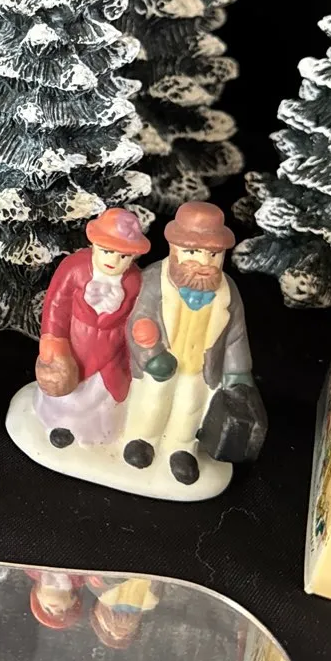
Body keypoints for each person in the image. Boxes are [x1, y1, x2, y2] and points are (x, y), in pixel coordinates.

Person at [123, 202, 266, 486]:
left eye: (212, 254)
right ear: (174, 248)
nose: (203, 263)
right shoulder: (154, 280)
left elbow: (236, 337)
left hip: (200, 369)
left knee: (190, 406)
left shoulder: (228, 292)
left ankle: (180, 448)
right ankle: (142, 439)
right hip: (160, 364)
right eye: (192, 252)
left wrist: (238, 374)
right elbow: (139, 320)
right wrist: (151, 353)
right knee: (153, 401)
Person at [35, 208, 150, 448]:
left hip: (111, 351)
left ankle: (97, 434)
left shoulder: (135, 281)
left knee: (101, 396)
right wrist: (54, 344)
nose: (113, 261)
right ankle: (59, 424)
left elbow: (138, 315)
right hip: (76, 346)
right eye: (107, 251)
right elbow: (56, 305)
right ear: (94, 244)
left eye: (123, 256)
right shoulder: (74, 267)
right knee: (70, 390)